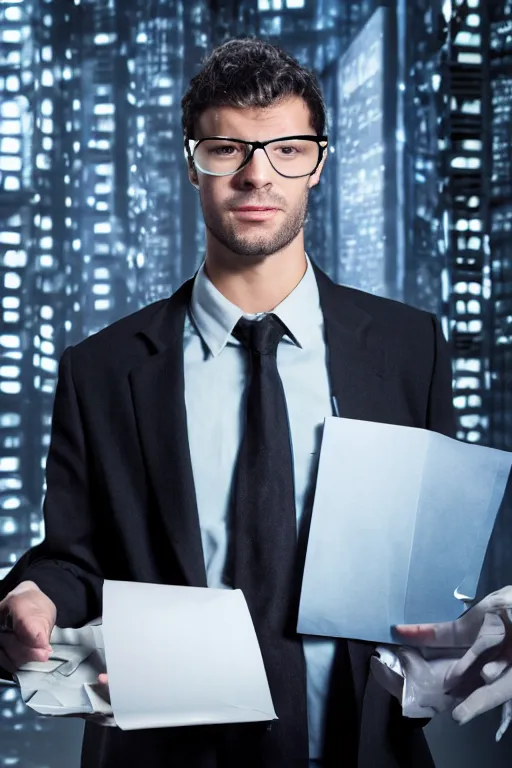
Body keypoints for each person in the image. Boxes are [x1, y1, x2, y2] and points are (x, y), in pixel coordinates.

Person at [0, 37, 508, 768]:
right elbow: (75, 556)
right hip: (166, 756)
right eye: (227, 149)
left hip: (366, 750)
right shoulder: (103, 370)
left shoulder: (409, 348)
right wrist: (34, 598)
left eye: (287, 150)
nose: (256, 175)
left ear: (320, 164)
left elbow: (452, 559)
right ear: (192, 162)